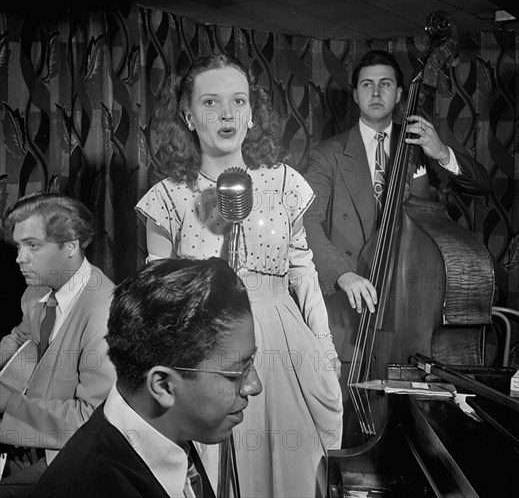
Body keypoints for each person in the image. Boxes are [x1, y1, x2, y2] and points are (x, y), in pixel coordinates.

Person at [135, 54, 343, 498]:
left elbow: (302, 270)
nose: (227, 114)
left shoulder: (285, 182)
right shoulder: (167, 198)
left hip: (282, 344)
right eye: (210, 102)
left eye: (239, 101)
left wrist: (324, 348)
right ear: (188, 116)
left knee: (294, 473)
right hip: (207, 347)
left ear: (252, 113)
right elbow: (157, 294)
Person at [303, 50, 493, 431]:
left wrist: (440, 153)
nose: (376, 92)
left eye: (385, 84)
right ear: (355, 94)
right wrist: (342, 274)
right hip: (349, 316)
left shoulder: (421, 143)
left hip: (413, 316)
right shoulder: (327, 155)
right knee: (343, 432)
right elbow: (305, 221)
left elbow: (480, 185)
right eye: (367, 85)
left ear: (400, 93)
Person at [32, 257, 262, 498]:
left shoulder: (170, 433)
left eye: (251, 362)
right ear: (162, 386)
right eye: (236, 372)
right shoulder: (88, 487)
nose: (254, 386)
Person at [0, 193, 116, 491]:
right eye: (18, 246)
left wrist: (7, 403)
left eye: (33, 246)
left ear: (71, 245)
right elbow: (22, 342)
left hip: (72, 455)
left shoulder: (104, 313)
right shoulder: (36, 290)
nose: (19, 258)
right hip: (27, 440)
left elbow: (92, 423)